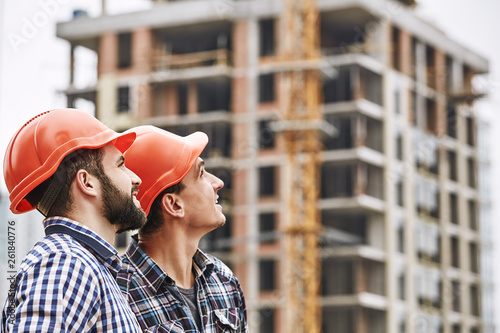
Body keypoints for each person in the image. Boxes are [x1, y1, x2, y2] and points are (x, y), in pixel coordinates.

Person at [1, 109, 147, 332]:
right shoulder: (66, 263)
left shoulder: (83, 265)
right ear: (87, 183)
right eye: (120, 165)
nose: (136, 178)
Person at [117, 125, 248, 332]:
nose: (218, 182)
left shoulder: (223, 281)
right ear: (174, 205)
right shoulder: (117, 293)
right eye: (202, 173)